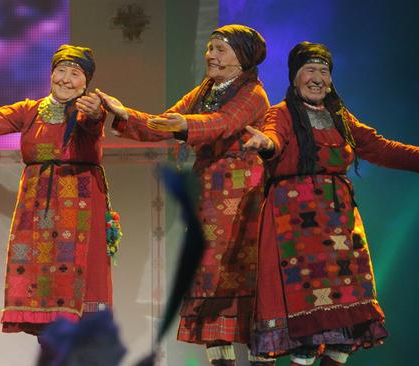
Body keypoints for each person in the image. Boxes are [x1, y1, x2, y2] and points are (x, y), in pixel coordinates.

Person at [243, 42, 419, 366]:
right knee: (308, 329)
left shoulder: (339, 117)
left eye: (324, 71)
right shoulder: (283, 113)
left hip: (339, 227)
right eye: (310, 70)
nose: (318, 78)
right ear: (295, 76)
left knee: (347, 326)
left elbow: (378, 147)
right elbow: (274, 136)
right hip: (295, 226)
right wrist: (266, 144)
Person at [95, 24, 275, 366]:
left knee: (245, 281)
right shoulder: (205, 91)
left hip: (243, 201)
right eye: (210, 48)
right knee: (208, 277)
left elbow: (220, 123)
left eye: (220, 49)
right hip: (208, 198)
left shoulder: (253, 94)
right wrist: (125, 115)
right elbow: (164, 122)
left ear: (242, 57)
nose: (211, 55)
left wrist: (184, 126)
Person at [0, 44, 112, 336]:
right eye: (60, 71)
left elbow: (91, 127)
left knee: (73, 271)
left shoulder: (87, 111)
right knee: (36, 273)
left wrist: (94, 114)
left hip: (78, 200)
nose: (65, 79)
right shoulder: (30, 110)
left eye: (74, 74)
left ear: (86, 82)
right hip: (36, 200)